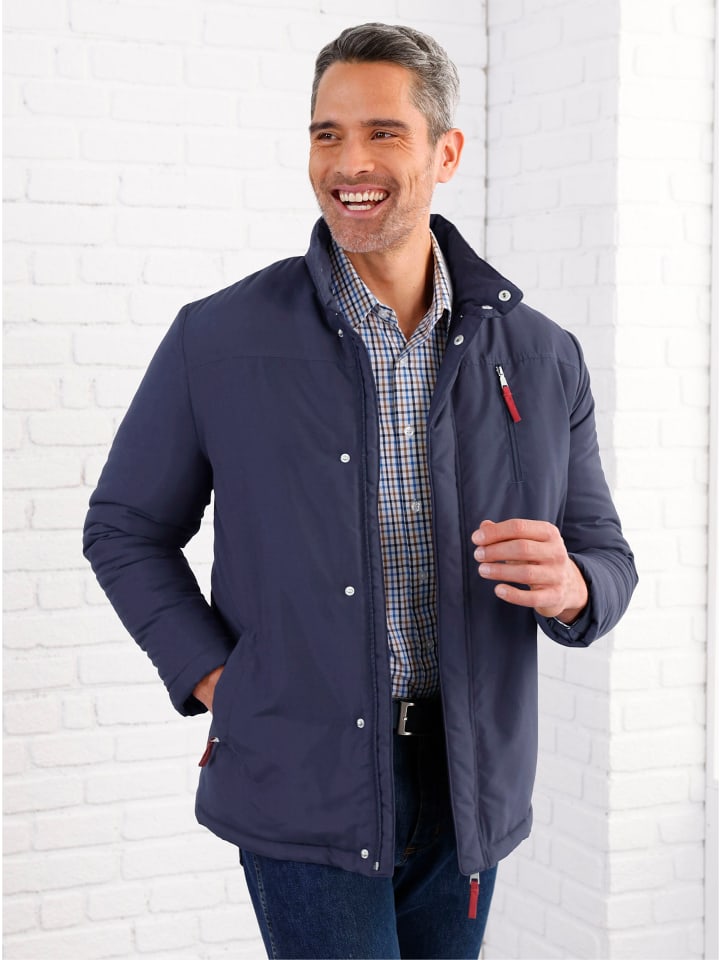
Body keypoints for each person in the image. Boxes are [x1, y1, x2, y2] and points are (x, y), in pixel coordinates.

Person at [83, 22, 638, 960]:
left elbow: (606, 556)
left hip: (469, 785)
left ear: (445, 153)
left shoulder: (542, 355)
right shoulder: (218, 339)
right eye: (326, 134)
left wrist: (575, 585)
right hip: (302, 777)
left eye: (383, 132)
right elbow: (125, 528)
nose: (349, 164)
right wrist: (221, 680)